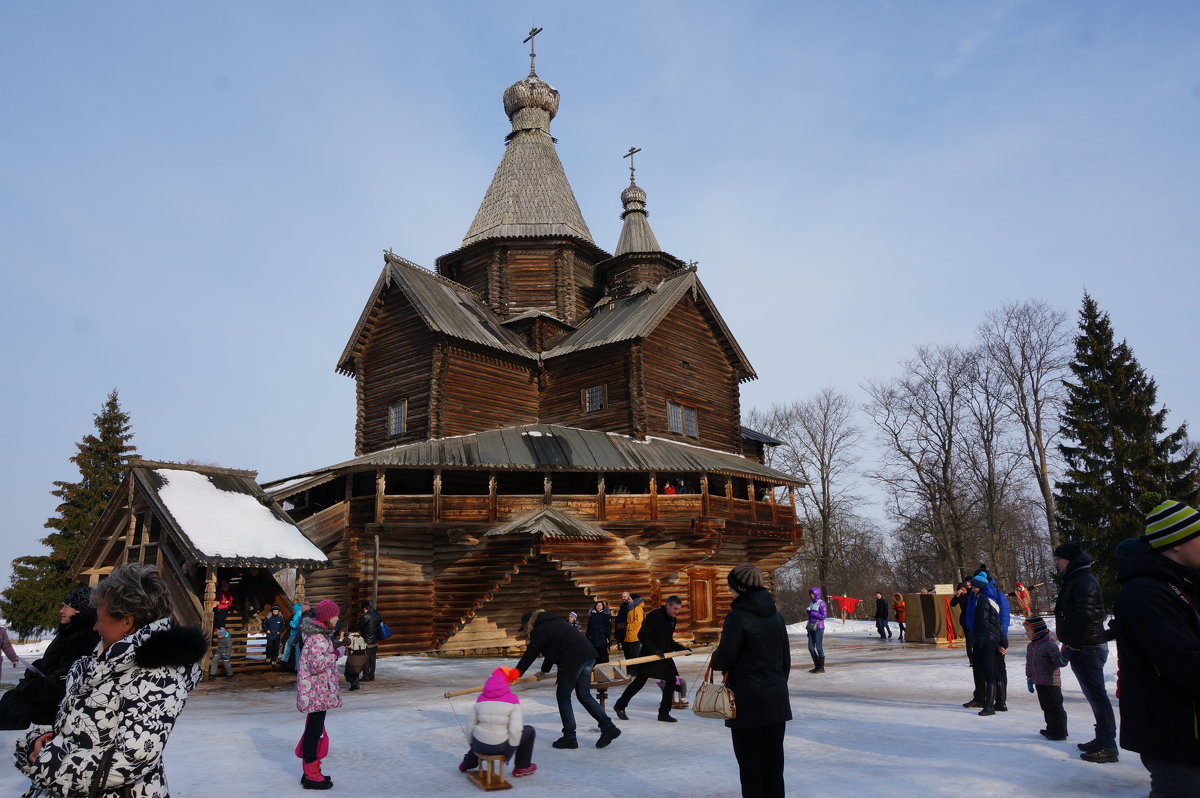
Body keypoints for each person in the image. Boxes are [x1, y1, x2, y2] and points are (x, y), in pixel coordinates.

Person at [14, 562, 205, 797]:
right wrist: (46, 742)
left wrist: (50, 765)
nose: (94, 627)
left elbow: (133, 758)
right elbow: (84, 730)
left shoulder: (158, 676)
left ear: (127, 622)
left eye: (101, 619)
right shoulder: (99, 664)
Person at [1113, 494, 1200, 793]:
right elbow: (1186, 664)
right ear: (1177, 543)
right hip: (1178, 737)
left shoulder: (1184, 585)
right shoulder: (1147, 593)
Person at [713, 563, 791, 798]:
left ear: (740, 587)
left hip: (747, 704)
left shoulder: (738, 617)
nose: (729, 592)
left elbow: (724, 660)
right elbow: (785, 660)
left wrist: (717, 656)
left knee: (751, 769)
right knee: (774, 767)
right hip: (776, 701)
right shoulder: (776, 616)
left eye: (731, 587)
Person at [514, 609, 621, 750]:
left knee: (563, 696)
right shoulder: (555, 622)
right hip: (589, 656)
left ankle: (569, 737)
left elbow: (531, 653)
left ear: (529, 623)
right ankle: (608, 727)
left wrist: (515, 674)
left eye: (525, 628)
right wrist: (544, 670)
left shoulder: (540, 629)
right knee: (584, 695)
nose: (525, 631)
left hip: (573, 660)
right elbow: (552, 651)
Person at [0, 587, 99, 730]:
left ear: (80, 610)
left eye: (67, 606)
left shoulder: (84, 637)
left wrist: (33, 687)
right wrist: (38, 667)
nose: (61, 610)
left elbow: (67, 679)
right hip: (48, 712)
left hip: (59, 714)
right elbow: (55, 664)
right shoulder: (69, 631)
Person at [1054, 541, 1118, 763]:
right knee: (1094, 696)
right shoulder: (1076, 579)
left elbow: (1086, 616)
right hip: (1082, 645)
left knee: (1098, 697)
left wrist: (1075, 643)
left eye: (1059, 559)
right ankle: (1102, 739)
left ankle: (1108, 745)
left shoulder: (1084, 581)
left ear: (1069, 559)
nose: (1057, 563)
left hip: (1087, 647)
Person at [613, 596, 689, 722]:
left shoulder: (672, 619)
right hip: (650, 655)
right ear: (667, 605)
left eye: (678, 609)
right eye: (674, 608)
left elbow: (669, 640)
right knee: (639, 682)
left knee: (671, 680)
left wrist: (682, 648)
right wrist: (654, 650)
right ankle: (620, 705)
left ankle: (664, 713)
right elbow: (642, 635)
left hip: (664, 656)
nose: (676, 611)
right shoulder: (656, 615)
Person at [457, 666, 537, 778]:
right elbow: (516, 729)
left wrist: (473, 745)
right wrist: (509, 751)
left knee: (481, 733)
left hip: (479, 746)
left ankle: (466, 764)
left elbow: (470, 726)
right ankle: (522, 767)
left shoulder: (480, 698)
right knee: (529, 731)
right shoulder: (513, 700)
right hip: (500, 747)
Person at [296, 599, 342, 790]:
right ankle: (310, 773)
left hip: (318, 692)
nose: (338, 618)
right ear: (329, 617)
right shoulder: (317, 638)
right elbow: (317, 665)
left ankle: (311, 769)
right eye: (336, 615)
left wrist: (334, 647)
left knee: (314, 731)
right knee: (313, 733)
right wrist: (337, 653)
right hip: (316, 693)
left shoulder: (320, 636)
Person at [969, 572, 1008, 716]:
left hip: (987, 640)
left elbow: (984, 623)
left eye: (973, 587)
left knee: (990, 672)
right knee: (995, 672)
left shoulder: (983, 600)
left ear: (979, 587)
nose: (972, 590)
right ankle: (999, 703)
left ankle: (989, 705)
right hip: (993, 638)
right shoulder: (990, 598)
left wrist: (980, 641)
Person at [1023, 615, 1068, 741]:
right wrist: (1029, 678)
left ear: (1037, 631)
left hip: (1051, 682)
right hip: (1039, 682)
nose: (1026, 634)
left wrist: (1064, 656)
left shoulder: (1049, 645)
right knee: (1045, 706)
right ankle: (1051, 728)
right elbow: (1029, 663)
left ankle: (1059, 732)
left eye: (1028, 631)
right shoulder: (1031, 646)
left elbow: (1059, 662)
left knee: (1055, 707)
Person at [354, 600, 383, 682]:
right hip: (375, 641)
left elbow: (359, 627)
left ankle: (366, 676)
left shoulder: (365, 616)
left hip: (367, 641)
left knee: (366, 658)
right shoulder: (378, 615)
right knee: (372, 659)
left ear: (365, 608)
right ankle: (372, 675)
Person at [805, 587, 827, 673]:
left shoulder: (821, 603)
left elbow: (823, 616)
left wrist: (812, 612)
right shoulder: (811, 603)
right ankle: (817, 666)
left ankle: (821, 668)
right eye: (810, 594)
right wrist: (809, 613)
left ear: (817, 593)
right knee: (810, 648)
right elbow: (811, 615)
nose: (811, 595)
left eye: (813, 593)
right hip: (811, 627)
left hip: (819, 627)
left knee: (818, 647)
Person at [622, 593, 645, 663]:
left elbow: (638, 621)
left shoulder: (638, 608)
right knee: (630, 654)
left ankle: (637, 671)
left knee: (635, 654)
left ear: (634, 600)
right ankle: (632, 671)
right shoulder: (631, 607)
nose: (628, 600)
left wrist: (629, 627)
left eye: (630, 598)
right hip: (630, 634)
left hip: (635, 635)